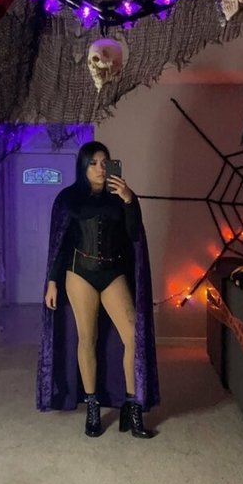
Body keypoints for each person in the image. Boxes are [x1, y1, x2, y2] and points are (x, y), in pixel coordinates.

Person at [37, 141, 159, 438]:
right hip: (80, 273)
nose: (101, 168)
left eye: (105, 162)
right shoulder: (68, 198)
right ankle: (92, 406)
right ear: (83, 166)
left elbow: (133, 234)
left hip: (113, 272)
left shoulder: (120, 197)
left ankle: (132, 407)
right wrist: (52, 281)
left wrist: (129, 201)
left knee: (133, 336)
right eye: (94, 163)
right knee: (87, 338)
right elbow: (61, 243)